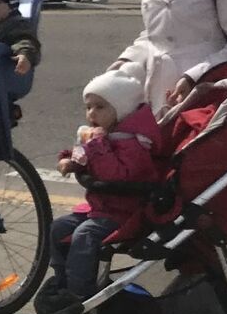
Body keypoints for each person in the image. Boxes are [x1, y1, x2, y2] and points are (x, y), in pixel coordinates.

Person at [42, 70, 162, 299]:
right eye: (88, 107)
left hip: (124, 210)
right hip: (100, 207)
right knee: (58, 228)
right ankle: (63, 278)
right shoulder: (104, 136)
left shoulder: (134, 143)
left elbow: (115, 175)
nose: (91, 114)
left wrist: (97, 144)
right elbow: (84, 156)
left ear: (121, 108)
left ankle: (79, 292)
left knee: (84, 235)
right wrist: (69, 160)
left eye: (100, 107)